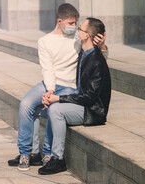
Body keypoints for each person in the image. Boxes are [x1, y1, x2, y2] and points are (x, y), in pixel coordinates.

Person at [8, 4, 108, 171]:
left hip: (70, 86)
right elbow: (47, 68)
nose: (74, 27)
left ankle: (48, 153)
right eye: (71, 23)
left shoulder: (78, 39)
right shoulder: (45, 41)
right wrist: (50, 90)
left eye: (76, 23)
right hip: (50, 83)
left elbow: (97, 60)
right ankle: (28, 154)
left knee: (54, 107)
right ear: (60, 21)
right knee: (26, 104)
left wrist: (102, 46)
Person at [38, 17, 111, 175]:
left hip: (92, 110)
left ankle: (58, 159)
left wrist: (58, 98)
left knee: (56, 110)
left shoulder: (97, 61)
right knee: (46, 108)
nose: (77, 31)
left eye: (81, 29)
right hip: (82, 103)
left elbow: (89, 97)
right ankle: (40, 153)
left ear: (86, 36)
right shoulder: (84, 53)